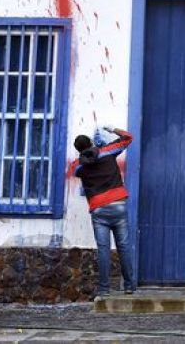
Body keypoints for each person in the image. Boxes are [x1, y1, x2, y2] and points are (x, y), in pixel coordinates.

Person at [70, 126, 136, 298]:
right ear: (92, 142)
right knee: (124, 246)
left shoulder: (79, 165)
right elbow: (128, 138)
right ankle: (129, 286)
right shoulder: (107, 151)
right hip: (118, 204)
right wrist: (112, 130)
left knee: (103, 250)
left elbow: (74, 170)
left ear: (78, 150)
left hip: (99, 209)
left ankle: (104, 288)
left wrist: (84, 155)